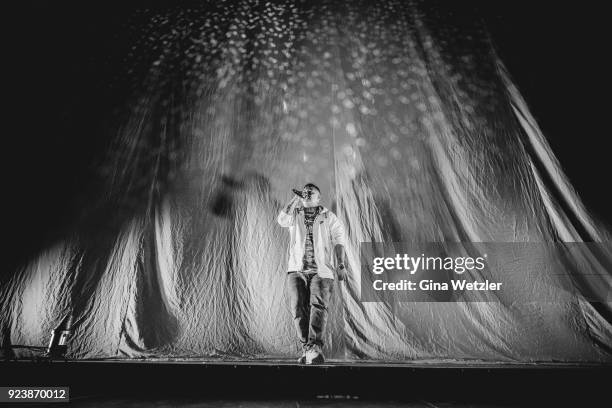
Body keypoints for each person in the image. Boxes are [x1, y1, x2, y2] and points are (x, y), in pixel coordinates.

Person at [277, 183, 348, 364]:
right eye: (305, 192)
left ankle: (314, 348)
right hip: (297, 270)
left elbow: (339, 240)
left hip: (321, 271)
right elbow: (281, 220)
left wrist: (340, 263)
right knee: (298, 309)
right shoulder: (295, 213)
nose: (307, 194)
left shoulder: (329, 217)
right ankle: (307, 349)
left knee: (318, 307)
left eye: (312, 192)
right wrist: (295, 199)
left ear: (319, 198)